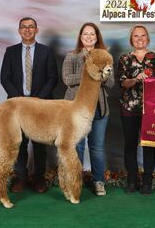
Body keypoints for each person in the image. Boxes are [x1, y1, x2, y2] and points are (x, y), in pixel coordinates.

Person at [0, 17, 58, 193]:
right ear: (19, 31)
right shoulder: (10, 51)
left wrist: (36, 101)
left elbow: (52, 78)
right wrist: (21, 101)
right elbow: (5, 78)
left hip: (41, 106)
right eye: (24, 27)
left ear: (36, 30)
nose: (27, 30)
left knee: (40, 144)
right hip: (18, 106)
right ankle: (21, 177)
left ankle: (39, 178)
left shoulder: (46, 51)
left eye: (31, 27)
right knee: (19, 143)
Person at [117, 24, 155, 195]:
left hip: (152, 109)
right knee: (130, 145)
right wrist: (134, 79)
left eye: (143, 36)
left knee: (149, 144)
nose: (140, 39)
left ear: (147, 39)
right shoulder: (124, 59)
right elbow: (122, 83)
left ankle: (147, 180)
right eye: (136, 36)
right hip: (129, 107)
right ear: (131, 39)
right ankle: (132, 179)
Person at [62, 22, 114, 196]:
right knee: (77, 147)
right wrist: (91, 71)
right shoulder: (72, 56)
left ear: (97, 37)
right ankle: (75, 181)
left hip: (99, 108)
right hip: (76, 110)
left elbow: (111, 82)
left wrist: (101, 72)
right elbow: (68, 79)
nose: (89, 37)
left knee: (97, 147)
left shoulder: (105, 56)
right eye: (85, 34)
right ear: (80, 37)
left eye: (92, 34)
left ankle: (99, 182)